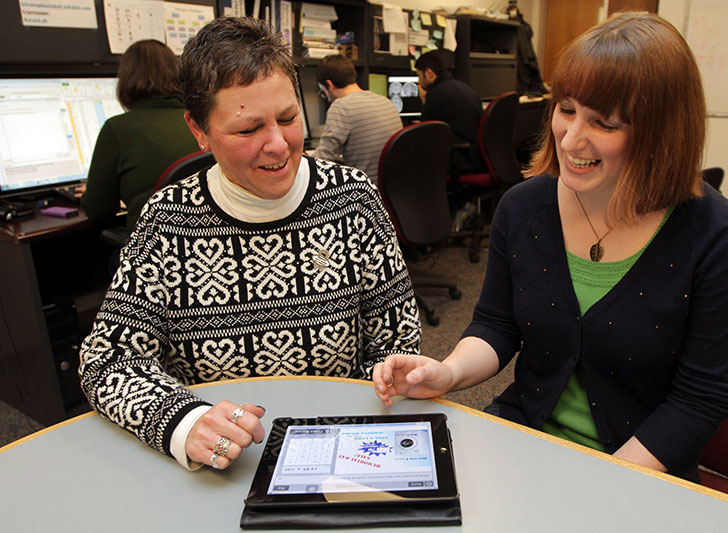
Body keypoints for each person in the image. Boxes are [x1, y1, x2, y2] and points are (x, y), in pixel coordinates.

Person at [374, 12, 728, 482]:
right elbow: (498, 325)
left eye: (604, 122)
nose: (571, 138)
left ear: (661, 131)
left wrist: (598, 486)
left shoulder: (719, 238)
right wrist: (449, 372)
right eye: (567, 108)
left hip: (637, 470)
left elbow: (701, 399)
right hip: (524, 437)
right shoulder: (523, 208)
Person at [79, 17, 421, 472]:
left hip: (341, 448)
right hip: (223, 462)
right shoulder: (168, 220)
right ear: (199, 132)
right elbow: (106, 361)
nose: (278, 145)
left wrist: (373, 399)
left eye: (288, 118)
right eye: (247, 130)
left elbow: (397, 339)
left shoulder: (353, 199)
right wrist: (185, 422)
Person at [80, 39, 198, 230]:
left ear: (125, 80)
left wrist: (90, 193)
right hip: (209, 244)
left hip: (150, 251)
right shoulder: (200, 120)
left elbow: (98, 209)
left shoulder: (118, 128)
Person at [309, 54, 402, 183]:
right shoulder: (384, 101)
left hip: (365, 190)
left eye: (322, 90)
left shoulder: (341, 106)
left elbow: (323, 160)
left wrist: (303, 159)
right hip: (392, 188)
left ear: (329, 84)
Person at [415, 51, 483, 175]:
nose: (419, 82)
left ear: (429, 73)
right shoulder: (465, 88)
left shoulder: (436, 95)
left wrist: (425, 102)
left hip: (460, 161)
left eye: (420, 76)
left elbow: (424, 133)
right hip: (476, 156)